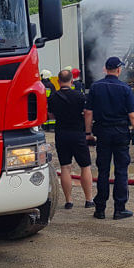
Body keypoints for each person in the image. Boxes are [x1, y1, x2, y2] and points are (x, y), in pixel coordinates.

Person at [84, 56, 134, 220]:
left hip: (102, 132)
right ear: (118, 70)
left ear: (105, 69)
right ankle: (119, 209)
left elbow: (88, 113)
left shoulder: (96, 87)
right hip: (120, 133)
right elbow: (133, 116)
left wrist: (88, 133)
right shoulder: (125, 89)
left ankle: (100, 209)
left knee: (103, 171)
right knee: (121, 171)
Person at [47, 69, 94, 209]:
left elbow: (50, 115)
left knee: (65, 167)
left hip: (61, 134)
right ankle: (89, 200)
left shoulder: (54, 97)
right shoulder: (80, 96)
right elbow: (87, 113)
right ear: (72, 81)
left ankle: (69, 201)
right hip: (78, 134)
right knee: (85, 167)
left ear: (59, 81)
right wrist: (88, 132)